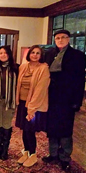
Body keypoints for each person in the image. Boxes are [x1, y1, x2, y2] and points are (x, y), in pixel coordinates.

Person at [42, 29, 85, 170]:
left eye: (63, 37)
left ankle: (65, 157)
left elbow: (79, 81)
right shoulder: (48, 54)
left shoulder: (78, 56)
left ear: (68, 39)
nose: (60, 40)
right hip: (51, 97)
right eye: (57, 38)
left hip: (67, 98)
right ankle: (53, 154)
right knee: (52, 127)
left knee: (66, 129)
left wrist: (77, 101)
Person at [15, 45, 50, 167]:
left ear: (41, 55)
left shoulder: (43, 68)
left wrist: (32, 108)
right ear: (29, 54)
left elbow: (41, 89)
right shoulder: (23, 67)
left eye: (38, 53)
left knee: (30, 130)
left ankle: (33, 155)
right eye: (33, 52)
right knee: (24, 130)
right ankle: (26, 152)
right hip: (23, 103)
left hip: (34, 105)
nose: (35, 55)